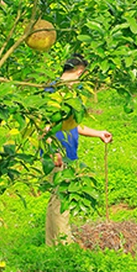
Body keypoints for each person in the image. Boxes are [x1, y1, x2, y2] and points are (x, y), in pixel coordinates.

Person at [45, 54, 113, 246]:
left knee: (56, 199)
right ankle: (64, 245)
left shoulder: (74, 92)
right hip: (58, 154)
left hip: (68, 152)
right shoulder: (53, 90)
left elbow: (75, 125)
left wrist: (98, 133)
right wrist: (52, 150)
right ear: (80, 71)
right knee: (62, 198)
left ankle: (52, 244)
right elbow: (44, 124)